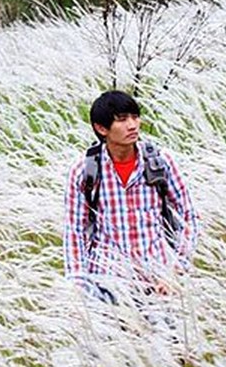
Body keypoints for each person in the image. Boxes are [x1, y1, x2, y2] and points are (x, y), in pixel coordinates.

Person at [63, 90, 199, 337]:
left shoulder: (159, 161)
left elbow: (187, 217)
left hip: (157, 279)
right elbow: (75, 231)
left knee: (168, 356)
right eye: (122, 119)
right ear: (102, 128)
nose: (133, 125)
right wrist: (77, 286)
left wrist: (175, 270)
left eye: (135, 117)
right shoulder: (84, 170)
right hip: (105, 280)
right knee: (103, 358)